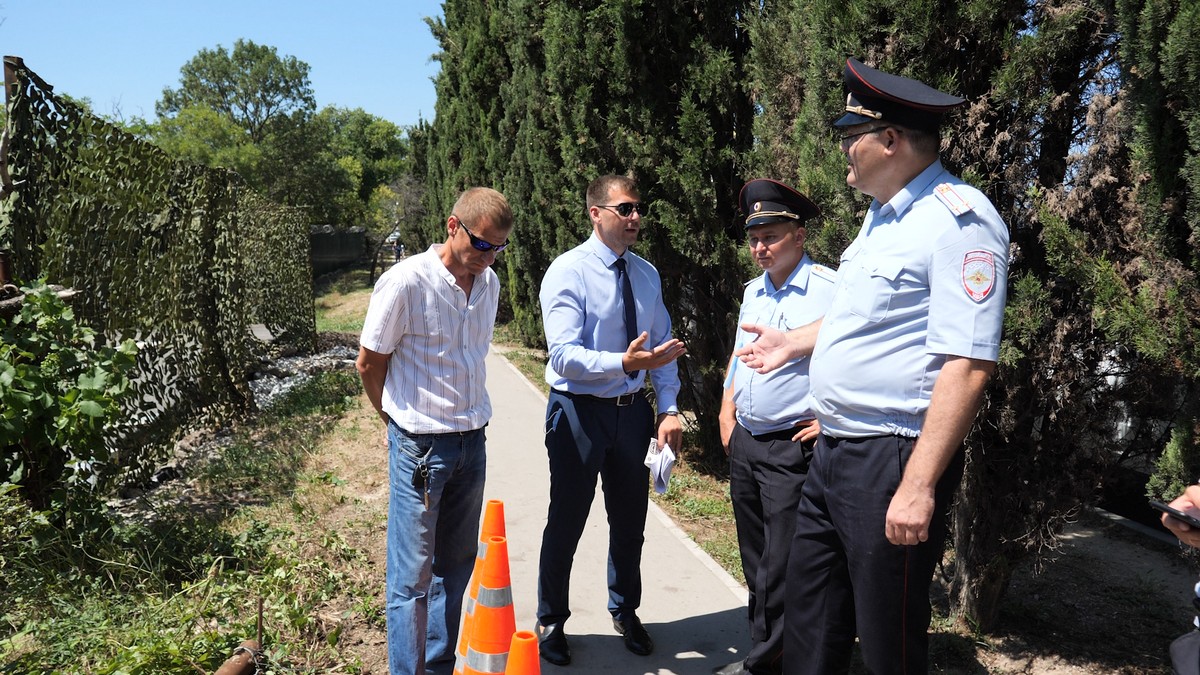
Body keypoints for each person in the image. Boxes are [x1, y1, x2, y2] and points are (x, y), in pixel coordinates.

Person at [736, 58, 1009, 674]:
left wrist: (917, 485)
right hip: (834, 456)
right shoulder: (882, 220)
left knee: (888, 643)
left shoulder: (958, 222)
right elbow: (861, 320)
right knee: (809, 624)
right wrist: (794, 343)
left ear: (890, 140)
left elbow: (968, 364)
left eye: (849, 137)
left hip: (891, 460)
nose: (843, 151)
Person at [356, 187, 514, 675]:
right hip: (421, 448)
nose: (488, 258)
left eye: (499, 248)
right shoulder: (406, 282)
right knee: (410, 579)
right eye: (481, 245)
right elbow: (369, 363)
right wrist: (396, 424)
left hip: (472, 443)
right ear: (453, 226)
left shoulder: (488, 285)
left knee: (456, 565)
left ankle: (439, 662)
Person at [535, 174, 686, 666]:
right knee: (567, 520)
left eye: (638, 208)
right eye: (624, 208)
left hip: (631, 416)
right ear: (596, 213)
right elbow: (563, 356)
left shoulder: (646, 274)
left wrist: (667, 408)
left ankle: (625, 609)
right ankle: (551, 621)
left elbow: (662, 351)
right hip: (578, 413)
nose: (635, 217)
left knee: (630, 523)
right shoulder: (568, 272)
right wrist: (623, 363)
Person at [715, 179, 836, 675]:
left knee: (783, 567)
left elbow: (854, 357)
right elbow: (741, 358)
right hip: (747, 440)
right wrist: (726, 406)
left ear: (799, 235)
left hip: (791, 446)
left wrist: (832, 418)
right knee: (755, 561)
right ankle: (767, 653)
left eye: (771, 235)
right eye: (754, 238)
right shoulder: (753, 292)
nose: (760, 247)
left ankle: (763, 666)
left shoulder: (830, 291)